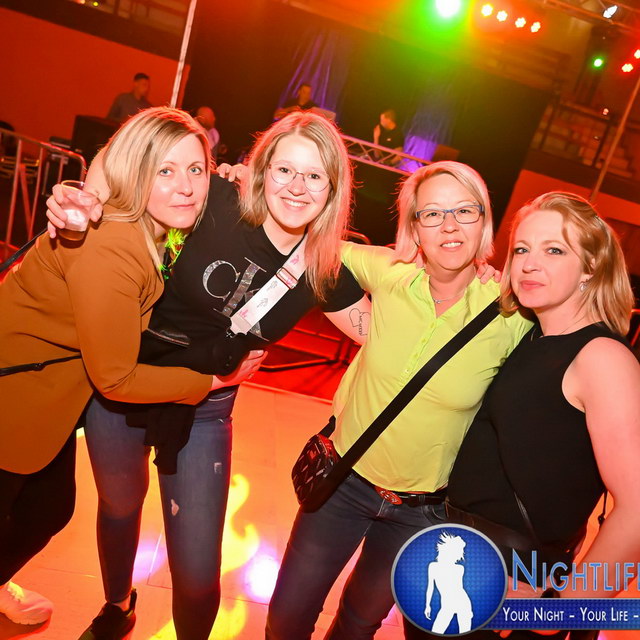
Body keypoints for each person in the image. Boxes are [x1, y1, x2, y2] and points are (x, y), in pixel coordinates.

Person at [46, 111, 371, 640]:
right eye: (284, 169)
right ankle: (117, 606)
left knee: (197, 575)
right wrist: (83, 197)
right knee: (120, 506)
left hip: (206, 406)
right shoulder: (216, 199)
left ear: (333, 188)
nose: (297, 187)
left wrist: (461, 279)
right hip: (126, 379)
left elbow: (381, 334)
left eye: (314, 175)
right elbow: (132, 155)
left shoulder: (324, 266)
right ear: (261, 168)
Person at [0, 107, 265, 627]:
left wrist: (232, 181)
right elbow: (116, 378)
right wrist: (217, 381)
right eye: (165, 170)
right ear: (135, 173)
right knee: (36, 509)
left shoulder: (149, 223)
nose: (186, 186)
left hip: (47, 399)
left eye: (195, 169)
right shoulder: (111, 245)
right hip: (15, 397)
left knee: (47, 509)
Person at [265, 161, 532, 640]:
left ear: (484, 221)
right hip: (343, 481)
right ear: (414, 228)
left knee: (359, 623)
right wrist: (238, 186)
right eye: (432, 214)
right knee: (287, 618)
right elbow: (310, 241)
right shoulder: (391, 272)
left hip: (423, 511)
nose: (449, 225)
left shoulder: (512, 312)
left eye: (464, 210)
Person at [413, 191, 640, 640]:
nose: (530, 264)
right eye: (521, 249)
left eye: (554, 250)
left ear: (590, 267)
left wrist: (561, 611)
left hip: (514, 585)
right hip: (459, 556)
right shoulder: (533, 335)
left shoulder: (602, 358)